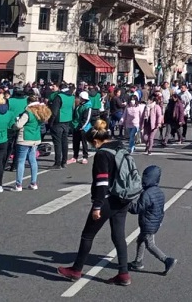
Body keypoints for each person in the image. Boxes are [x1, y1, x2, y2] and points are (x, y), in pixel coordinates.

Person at [58, 120, 132, 286]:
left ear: (96, 141)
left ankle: (76, 270)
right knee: (119, 236)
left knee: (88, 235)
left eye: (92, 144)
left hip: (107, 199)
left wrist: (97, 205)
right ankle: (123, 273)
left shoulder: (102, 154)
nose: (93, 147)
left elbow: (102, 182)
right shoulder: (120, 147)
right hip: (123, 197)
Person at [127, 165, 177, 275]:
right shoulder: (159, 192)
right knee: (141, 239)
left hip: (147, 224)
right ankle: (138, 261)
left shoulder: (147, 194)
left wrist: (127, 204)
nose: (143, 179)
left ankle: (166, 260)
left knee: (149, 244)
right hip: (155, 222)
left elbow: (137, 209)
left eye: (145, 176)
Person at [13, 98, 51, 191]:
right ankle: (33, 182)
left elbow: (18, 125)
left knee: (21, 161)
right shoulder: (41, 112)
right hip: (35, 138)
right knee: (33, 161)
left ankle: (19, 184)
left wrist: (15, 124)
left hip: (25, 138)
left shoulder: (28, 113)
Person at [48, 84, 75, 169]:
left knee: (57, 143)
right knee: (64, 142)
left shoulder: (59, 97)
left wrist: (50, 123)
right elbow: (72, 108)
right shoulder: (72, 97)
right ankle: (64, 161)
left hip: (58, 121)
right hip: (67, 120)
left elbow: (54, 112)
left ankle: (57, 163)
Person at [70, 91, 93, 164]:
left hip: (84, 128)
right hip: (76, 126)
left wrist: (81, 127)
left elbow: (87, 119)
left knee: (84, 143)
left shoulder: (88, 107)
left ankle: (85, 157)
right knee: (75, 142)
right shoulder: (79, 105)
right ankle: (75, 156)